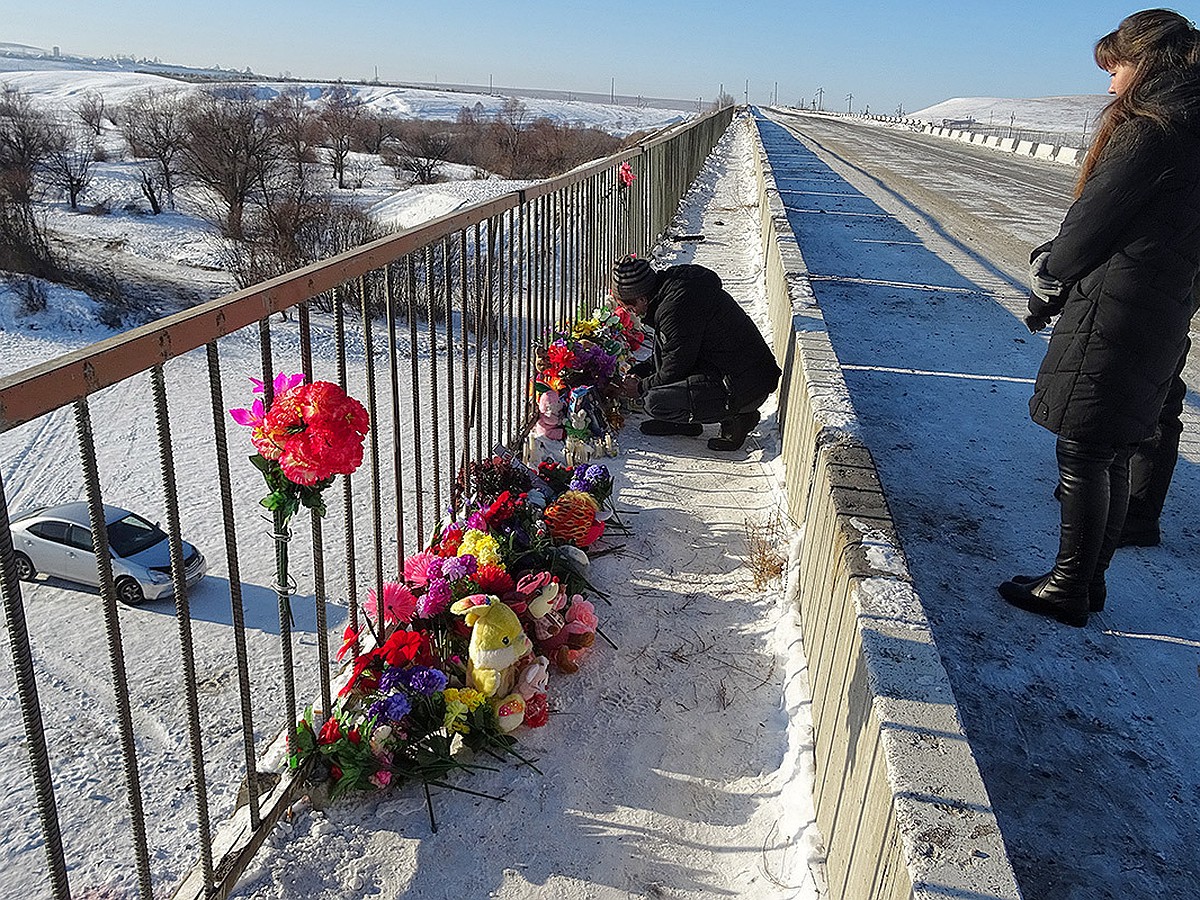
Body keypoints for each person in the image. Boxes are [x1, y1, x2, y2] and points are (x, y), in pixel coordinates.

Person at [1000, 9, 1200, 627]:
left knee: (1085, 449)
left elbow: (1092, 219)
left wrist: (1050, 276)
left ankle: (1067, 586)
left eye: (1115, 68)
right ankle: (1090, 581)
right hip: (1166, 304)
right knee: (1112, 449)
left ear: (1142, 63)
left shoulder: (1154, 129)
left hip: (1117, 304)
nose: (1110, 84)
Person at [612, 254, 781, 451]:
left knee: (655, 402)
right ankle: (688, 420)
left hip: (744, 385)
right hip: (743, 372)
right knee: (658, 382)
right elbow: (673, 352)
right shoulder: (672, 291)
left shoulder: (674, 309)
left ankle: (738, 416)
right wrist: (639, 371)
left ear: (642, 298)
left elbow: (675, 367)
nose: (630, 312)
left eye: (629, 307)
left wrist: (640, 387)